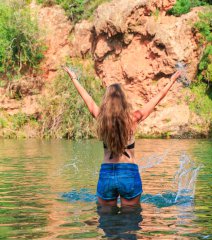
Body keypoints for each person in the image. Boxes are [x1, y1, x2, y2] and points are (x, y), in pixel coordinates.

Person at [63, 66, 181, 207]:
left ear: (106, 100)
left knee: (107, 222)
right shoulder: (134, 118)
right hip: (129, 173)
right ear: (124, 100)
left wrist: (74, 78)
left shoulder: (101, 117)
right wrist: (171, 81)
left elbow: (87, 98)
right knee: (130, 221)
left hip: (107, 172)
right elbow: (158, 98)